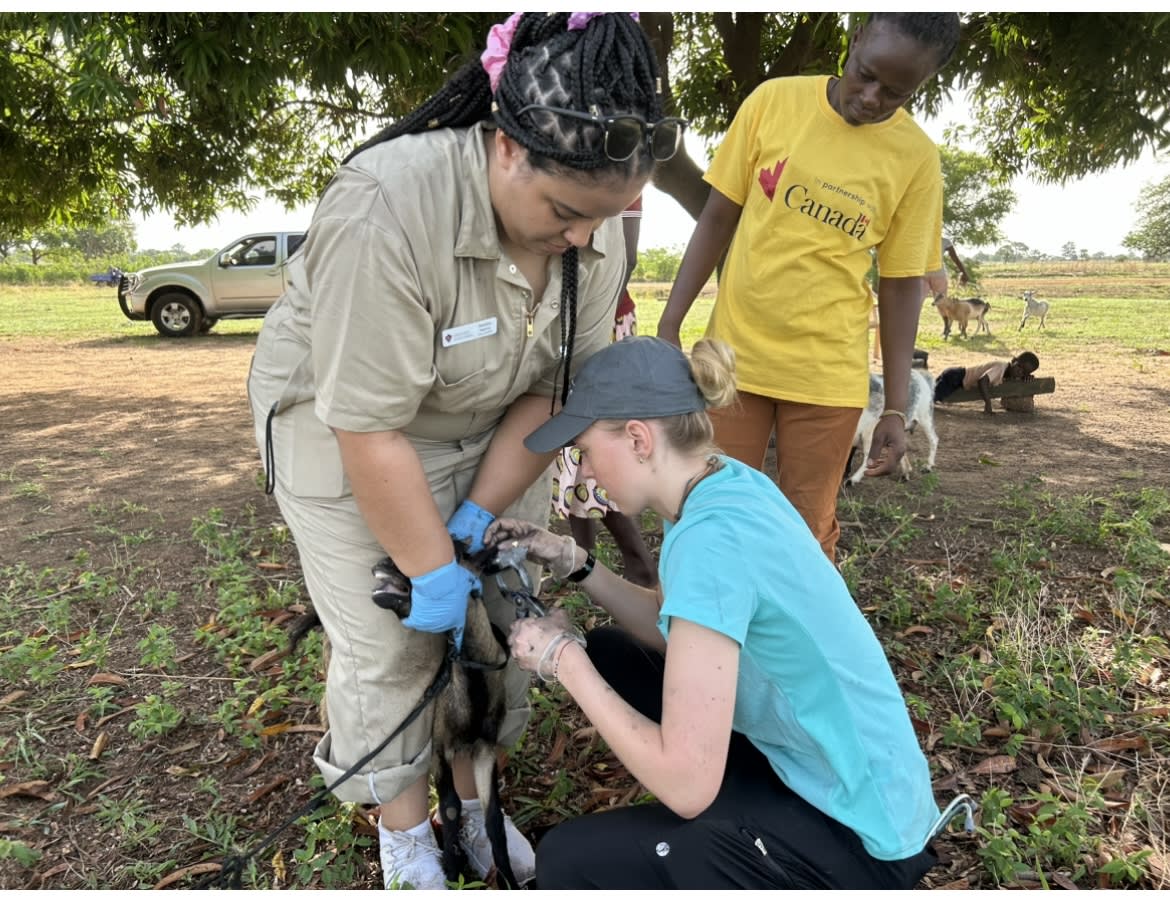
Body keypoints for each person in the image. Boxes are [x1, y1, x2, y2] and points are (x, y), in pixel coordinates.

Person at [245, 12, 683, 889]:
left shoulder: (585, 244)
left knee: (499, 616)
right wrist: (428, 564)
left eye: (604, 222)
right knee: (394, 640)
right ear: (508, 148)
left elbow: (549, 388)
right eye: (566, 213)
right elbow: (366, 425)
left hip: (490, 425)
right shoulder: (387, 210)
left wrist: (479, 513)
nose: (583, 243)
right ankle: (406, 834)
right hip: (347, 429)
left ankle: (476, 804)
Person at [485, 335, 942, 889]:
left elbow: (686, 786)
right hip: (845, 776)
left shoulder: (710, 543)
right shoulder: (723, 483)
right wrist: (571, 559)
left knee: (568, 861)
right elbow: (673, 623)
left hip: (860, 839)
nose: (580, 475)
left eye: (582, 451)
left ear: (637, 439)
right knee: (611, 653)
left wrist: (561, 660)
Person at [657, 13, 962, 562]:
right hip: (734, 362)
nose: (871, 98)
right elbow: (718, 216)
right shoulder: (774, 102)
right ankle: (697, 644)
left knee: (805, 532)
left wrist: (895, 406)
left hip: (827, 375)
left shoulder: (915, 158)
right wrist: (669, 324)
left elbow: (899, 286)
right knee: (709, 511)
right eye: (865, 75)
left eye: (895, 92)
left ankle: (793, 646)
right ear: (855, 40)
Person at [552, 194, 658, 587]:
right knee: (570, 451)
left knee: (596, 444)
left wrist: (584, 312)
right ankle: (583, 562)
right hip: (569, 318)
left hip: (599, 322)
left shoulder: (618, 167)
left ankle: (639, 564)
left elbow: (623, 259)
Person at [934, 350, 1040, 413]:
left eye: (1024, 372)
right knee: (932, 397)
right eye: (1019, 367)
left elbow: (1016, 379)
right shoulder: (1001, 367)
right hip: (956, 377)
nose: (1019, 372)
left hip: (957, 377)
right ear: (1013, 361)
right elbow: (982, 381)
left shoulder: (1009, 372)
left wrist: (1027, 378)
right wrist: (988, 403)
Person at [924, 235, 970, 302]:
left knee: (915, 302)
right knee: (942, 304)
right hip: (938, 274)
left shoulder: (920, 240)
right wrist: (964, 273)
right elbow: (955, 258)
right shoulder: (944, 241)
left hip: (921, 274)